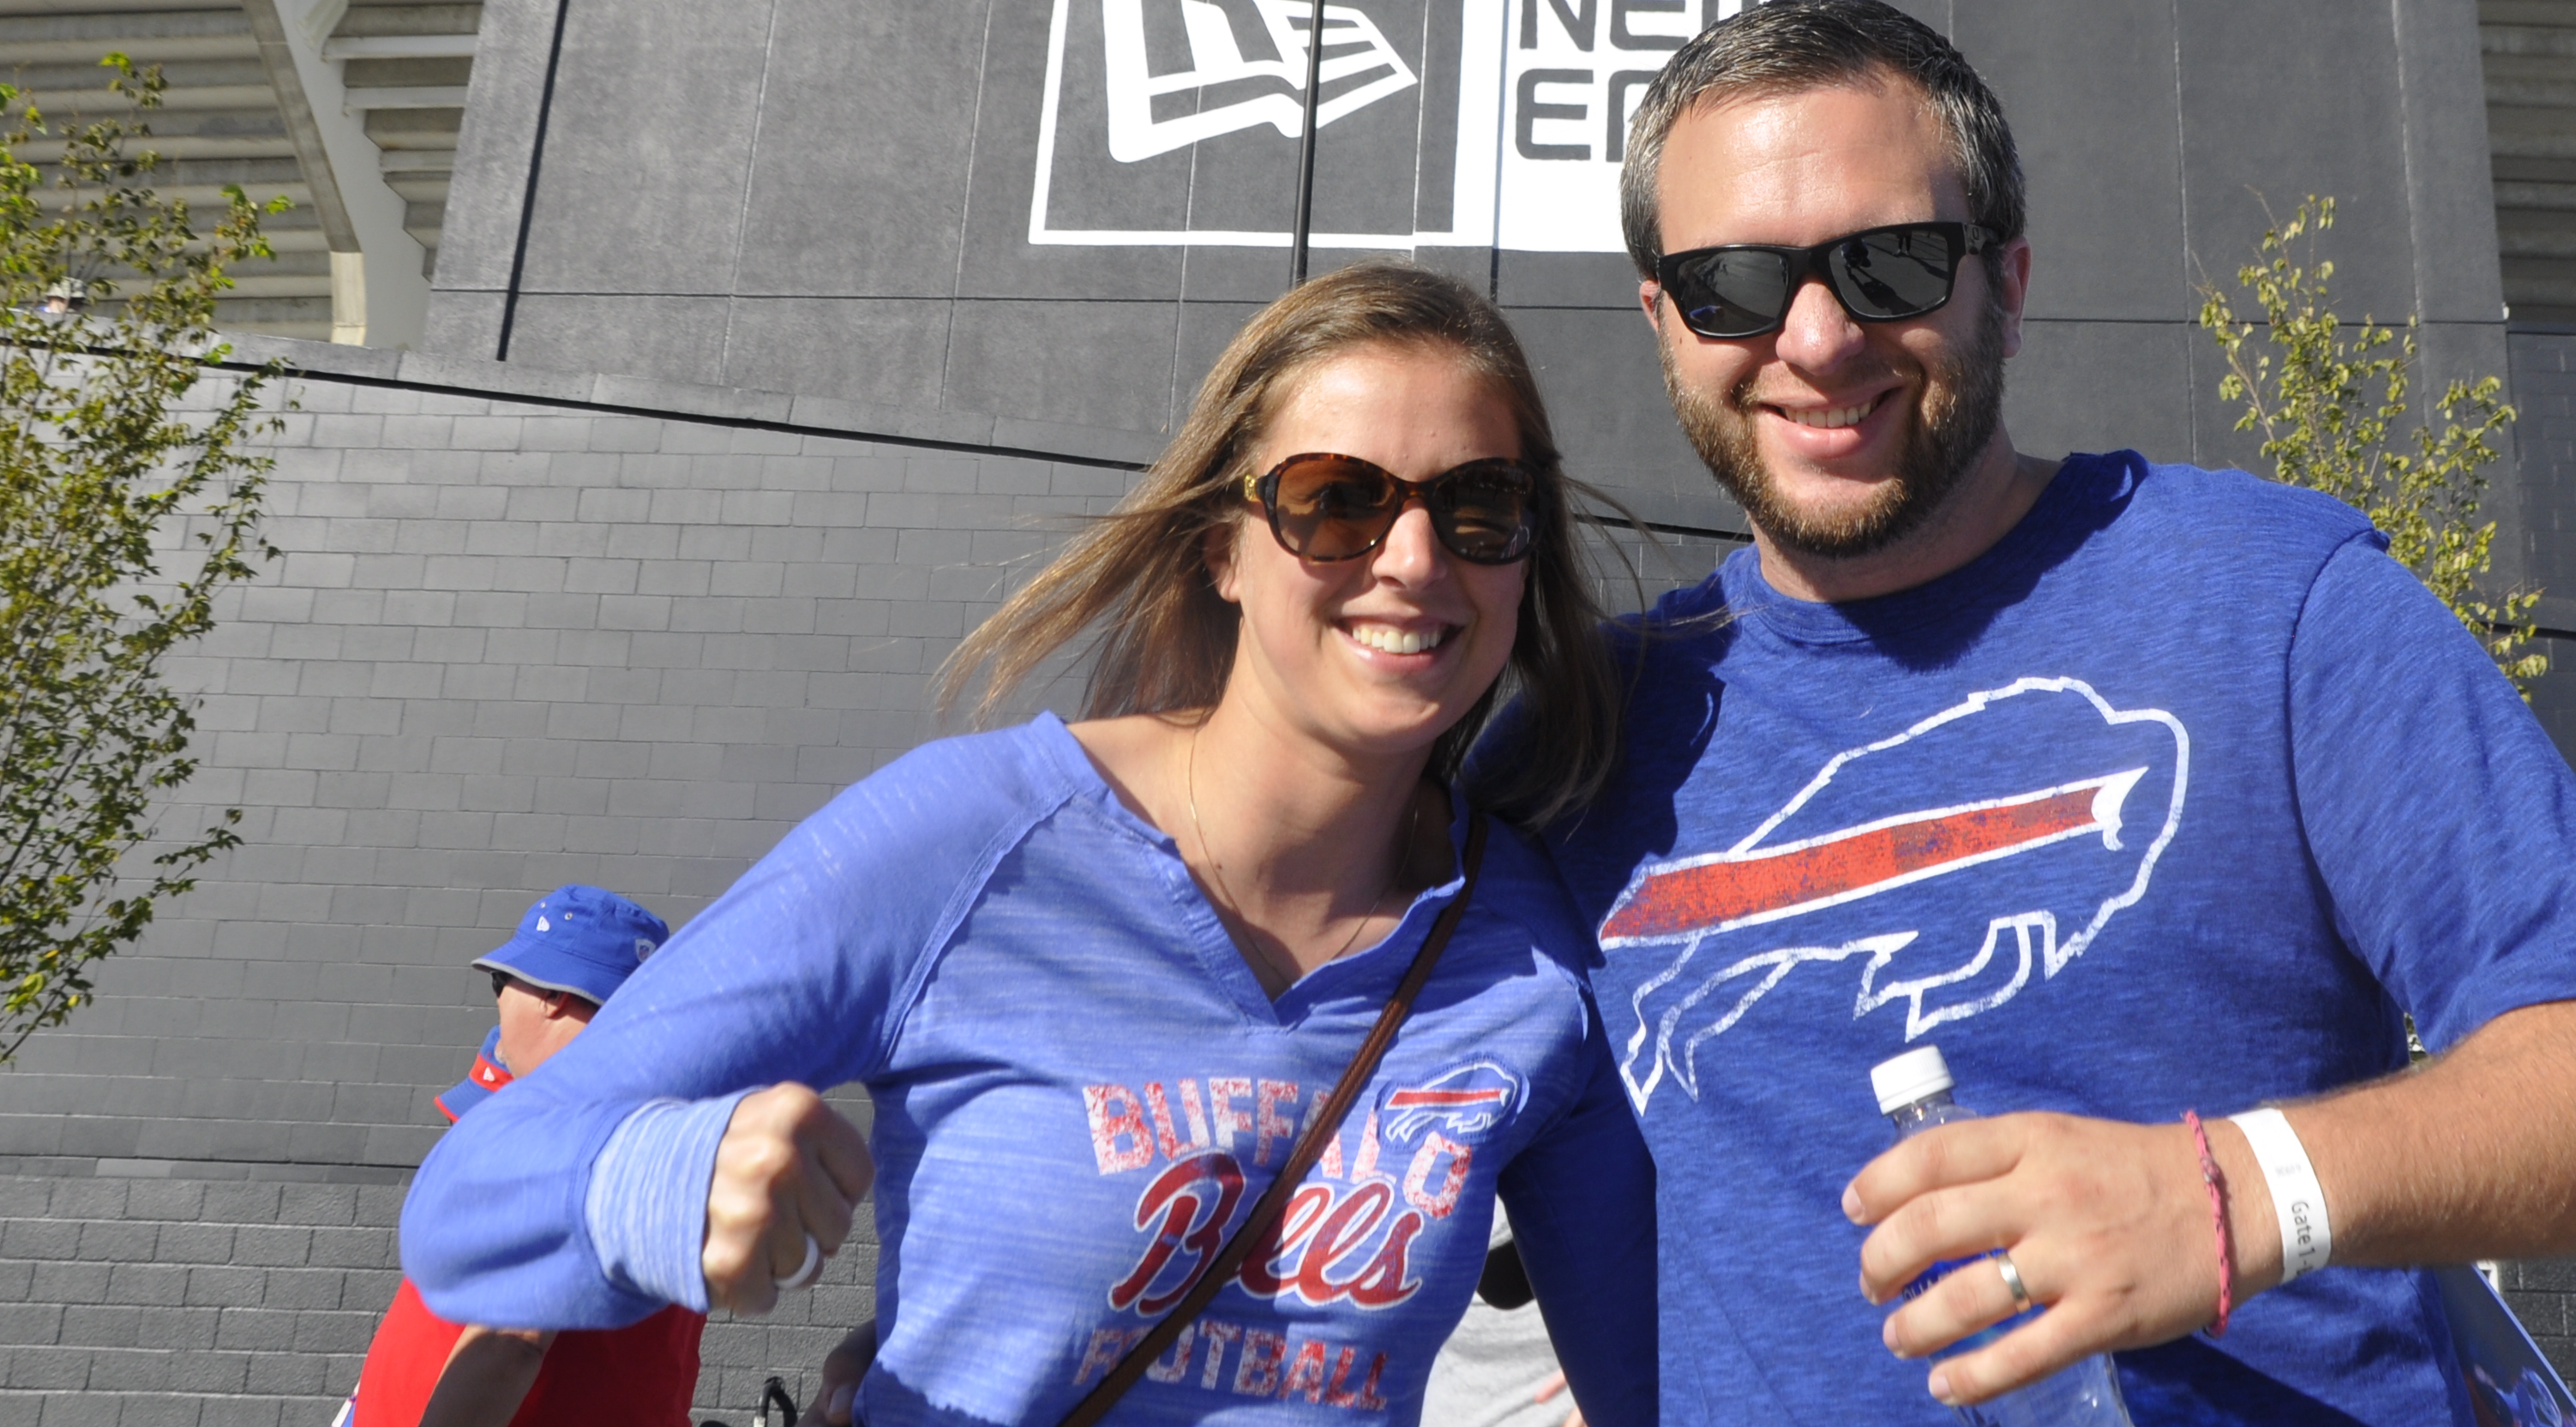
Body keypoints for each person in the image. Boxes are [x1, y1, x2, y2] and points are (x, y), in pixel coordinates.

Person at [1525, 0, 2576, 1426]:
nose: (1813, 338)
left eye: (1888, 264)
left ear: (2005, 276)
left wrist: (2230, 1194)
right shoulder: (1580, 736)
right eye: (1731, 283)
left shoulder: (2273, 601)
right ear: (1660, 317)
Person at [399, 265, 1656, 1427]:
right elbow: (468, 1201)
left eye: (1481, 506)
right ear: (1225, 543)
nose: (1415, 558)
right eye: (1336, 503)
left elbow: (1662, 1379)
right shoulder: (970, 842)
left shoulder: (1538, 950)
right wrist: (665, 1178)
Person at [342, 884, 689, 1427]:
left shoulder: (573, 1130)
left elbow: (512, 1339)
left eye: (504, 981)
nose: (499, 1002)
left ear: (553, 996)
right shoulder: (649, 1126)